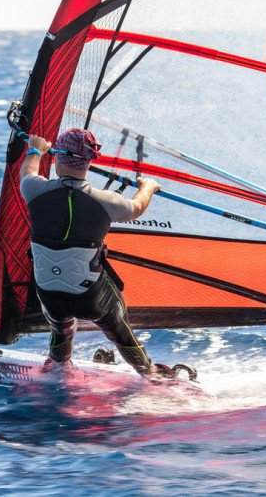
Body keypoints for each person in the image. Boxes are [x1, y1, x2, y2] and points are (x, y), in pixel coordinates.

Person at [19, 127, 170, 377]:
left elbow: (28, 171)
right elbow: (137, 207)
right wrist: (148, 186)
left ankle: (58, 365)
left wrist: (35, 149)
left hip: (48, 292)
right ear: (88, 163)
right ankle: (148, 372)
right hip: (90, 297)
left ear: (58, 159)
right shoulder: (106, 200)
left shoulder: (34, 189)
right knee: (118, 326)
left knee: (60, 326)